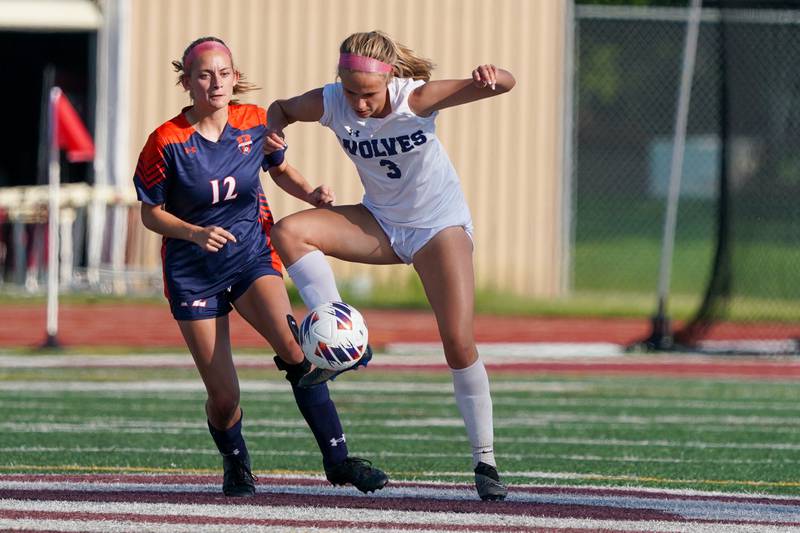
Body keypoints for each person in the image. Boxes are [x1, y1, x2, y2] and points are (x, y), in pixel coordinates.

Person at [263, 30, 515, 501]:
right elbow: (279, 107)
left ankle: (486, 460)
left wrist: (491, 75)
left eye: (369, 94)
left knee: (458, 341)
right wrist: (274, 136)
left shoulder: (414, 98)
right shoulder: (331, 100)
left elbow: (505, 82)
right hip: (380, 222)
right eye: (351, 92)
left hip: (437, 227)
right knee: (288, 232)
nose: (358, 104)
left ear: (390, 79)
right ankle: (346, 339)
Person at [132, 36, 388, 498]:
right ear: (187, 81)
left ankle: (340, 461)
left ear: (235, 77)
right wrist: (192, 232)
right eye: (205, 74)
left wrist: (309, 193)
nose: (215, 83)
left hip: (251, 256)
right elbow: (150, 212)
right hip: (194, 272)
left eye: (224, 73)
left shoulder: (253, 122)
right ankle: (236, 463)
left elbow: (279, 168)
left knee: (298, 352)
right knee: (225, 397)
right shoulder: (166, 141)